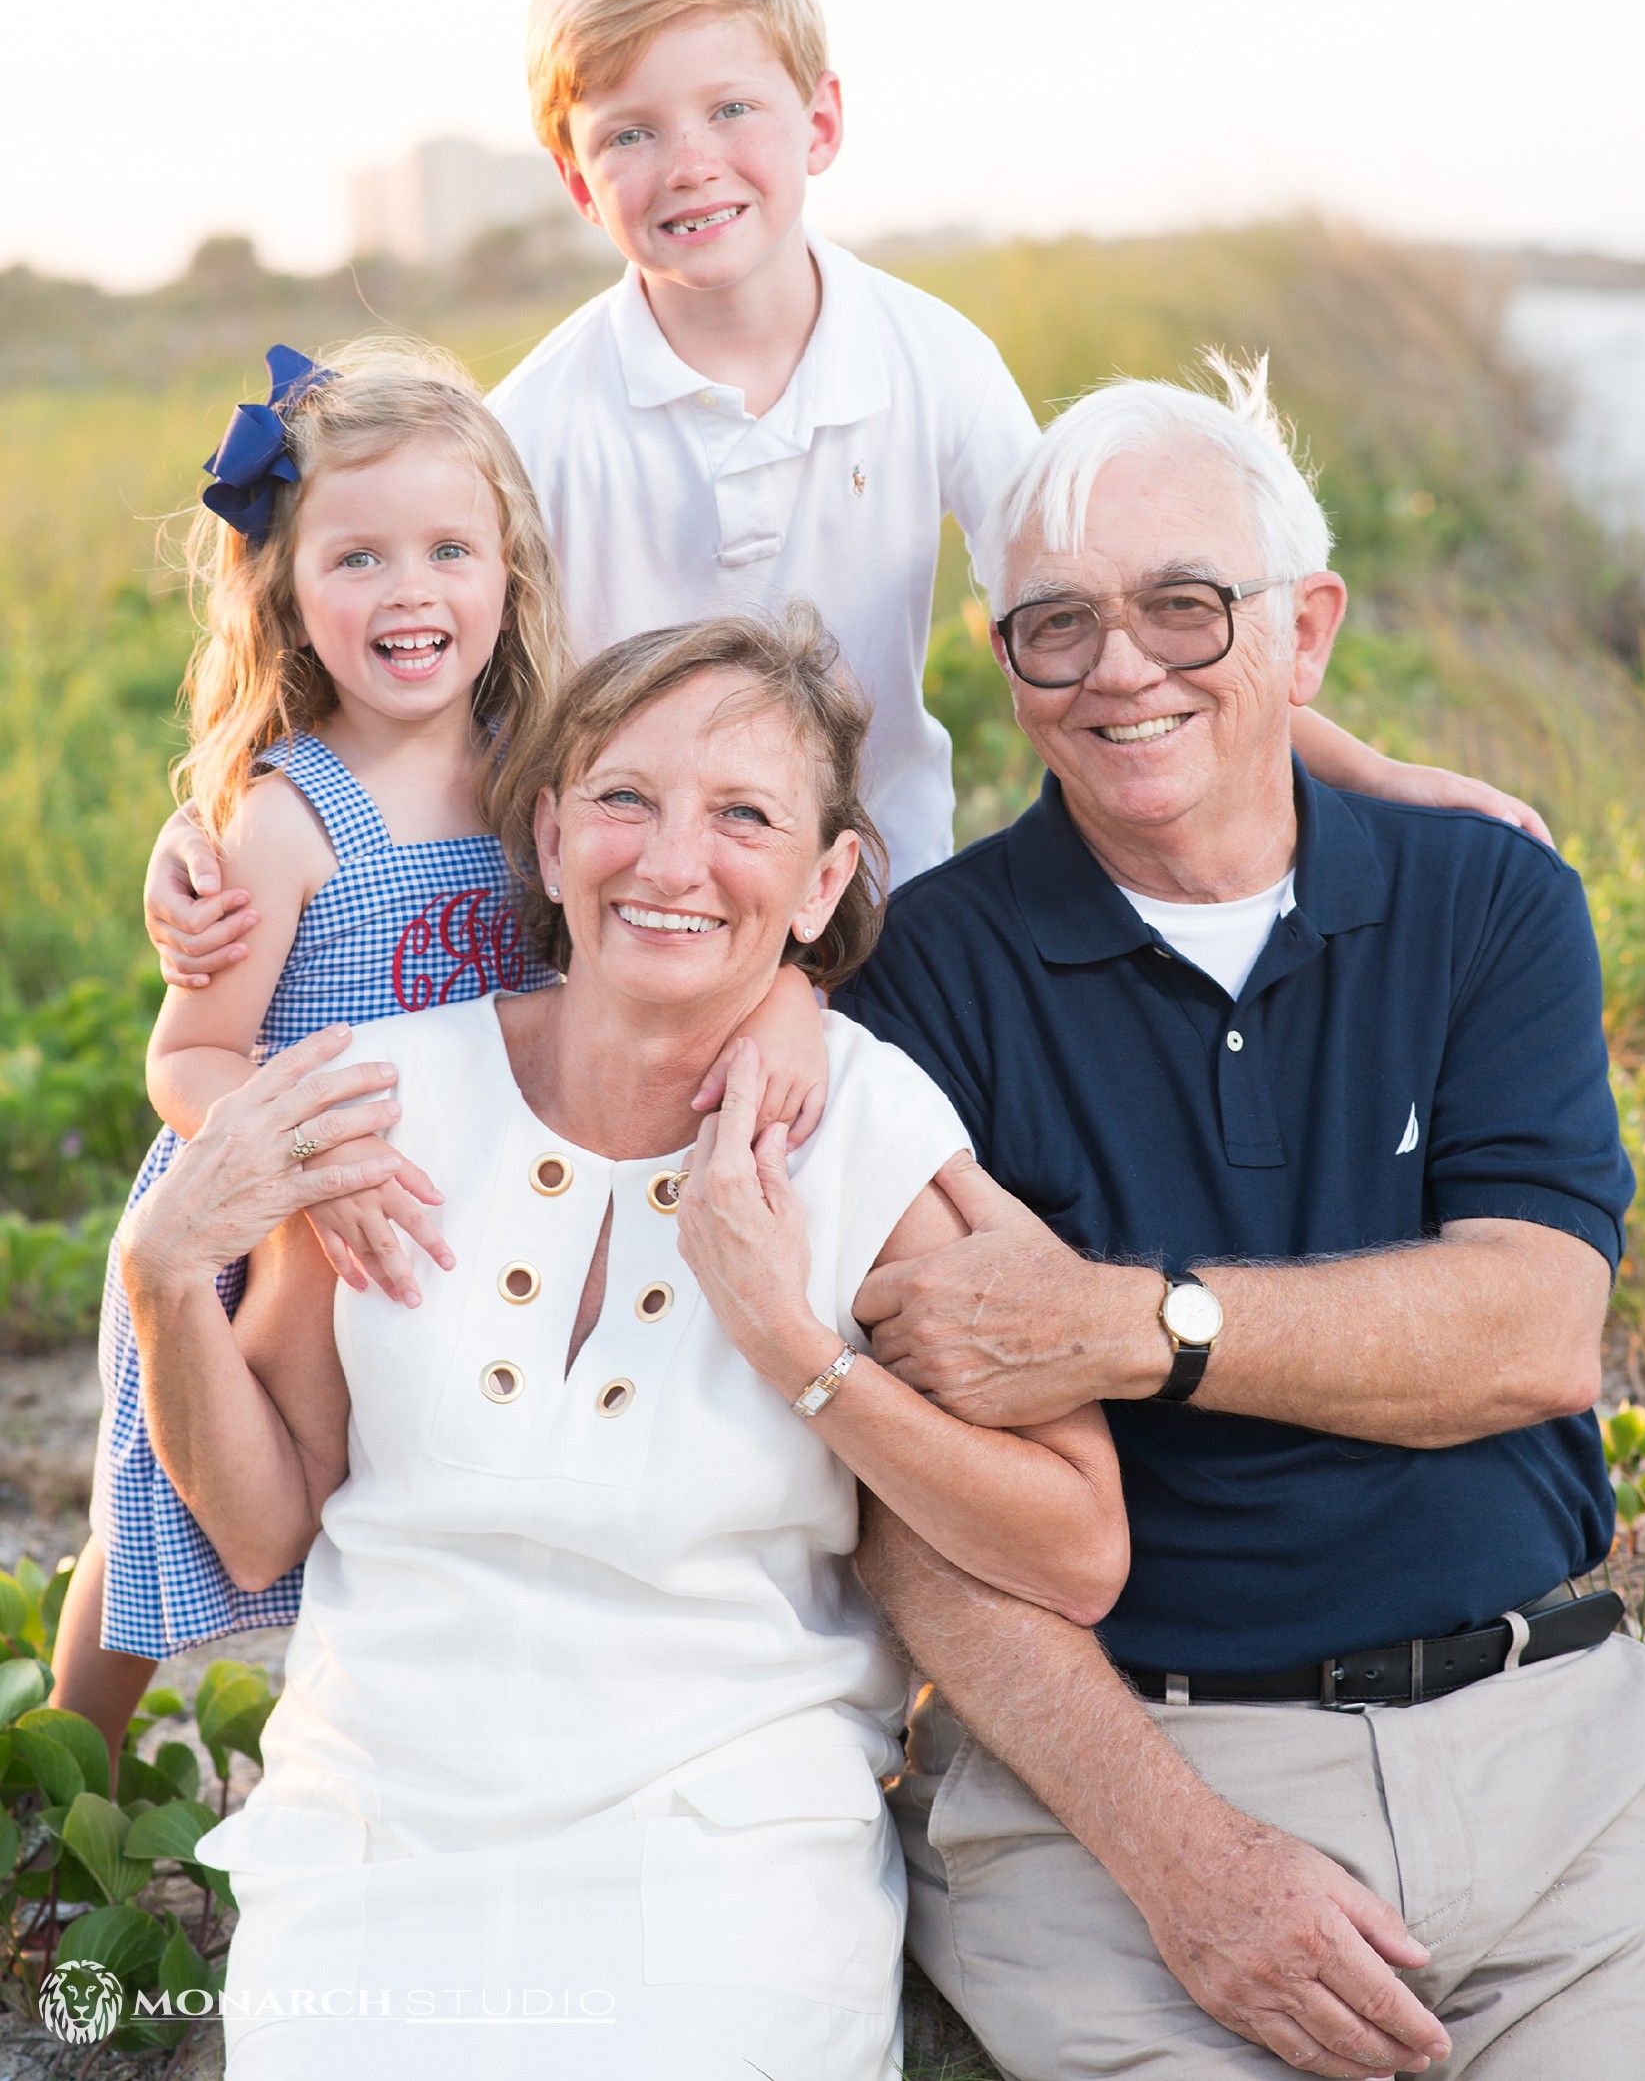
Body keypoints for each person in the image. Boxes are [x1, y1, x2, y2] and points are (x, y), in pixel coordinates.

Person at [140, 0, 1546, 985]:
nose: (687, 161)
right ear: (576, 180)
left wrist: (1371, 775)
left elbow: (1102, 614)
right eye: (628, 132)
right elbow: (417, 677)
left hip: (883, 884)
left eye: (729, 110)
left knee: (882, 1205)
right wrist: (219, 821)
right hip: (636, 899)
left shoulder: (927, 358)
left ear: (818, 123)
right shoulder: (539, 424)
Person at [119, 611, 1128, 2079]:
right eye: (622, 801)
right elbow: (268, 1528)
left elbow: (1074, 1546)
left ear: (821, 880)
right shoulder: (381, 1097)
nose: (669, 862)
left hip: (724, 1848)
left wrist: (801, 1352)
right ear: (543, 831)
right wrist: (161, 1282)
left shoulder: (867, 1129)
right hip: (377, 1831)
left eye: (742, 817)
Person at [836, 360, 1645, 2078]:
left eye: (1185, 607)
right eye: (1053, 625)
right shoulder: (920, 979)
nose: (1119, 668)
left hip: (1541, 1773)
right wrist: (1186, 1863)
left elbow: (1525, 1336)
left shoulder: (1483, 898)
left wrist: (1133, 1325)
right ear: (1009, 670)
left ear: (1305, 636)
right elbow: (915, 1518)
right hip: (1125, 1814)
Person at [52, 345, 825, 1760]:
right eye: (356, 558)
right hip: (290, 1211)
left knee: (393, 1488)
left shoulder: (550, 765)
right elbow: (191, 1052)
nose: (408, 591)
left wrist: (782, 1000)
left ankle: (398, 1727)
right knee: (158, 1518)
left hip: (472, 1187)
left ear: (508, 572)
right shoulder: (290, 816)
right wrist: (297, 1159)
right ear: (285, 591)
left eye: (447, 549)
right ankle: (59, 1771)